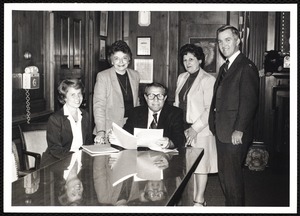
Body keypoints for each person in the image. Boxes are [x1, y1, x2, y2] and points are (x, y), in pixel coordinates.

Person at [208, 25, 259, 206]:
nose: (223, 45)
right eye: (220, 41)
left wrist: (239, 130)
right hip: (222, 131)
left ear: (238, 41)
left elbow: (249, 102)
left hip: (234, 134)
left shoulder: (246, 66)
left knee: (232, 178)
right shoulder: (226, 67)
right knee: (225, 176)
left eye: (228, 40)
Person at [174, 43, 218, 206]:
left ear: (200, 60)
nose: (187, 63)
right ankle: (186, 197)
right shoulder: (181, 77)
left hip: (201, 129)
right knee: (185, 165)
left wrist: (194, 128)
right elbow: (178, 103)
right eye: (185, 60)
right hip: (183, 127)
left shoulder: (208, 79)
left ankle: (199, 200)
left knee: (201, 166)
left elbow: (210, 109)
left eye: (191, 59)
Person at [93, 40, 140, 144]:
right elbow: (99, 106)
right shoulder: (103, 76)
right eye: (116, 59)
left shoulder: (135, 75)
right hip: (110, 128)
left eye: (124, 58)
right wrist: (101, 131)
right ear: (111, 60)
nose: (121, 62)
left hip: (131, 127)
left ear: (129, 60)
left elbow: (137, 103)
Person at [41, 79, 93, 167]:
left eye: (79, 94)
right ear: (64, 97)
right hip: (58, 162)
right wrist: (75, 157)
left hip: (80, 161)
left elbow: (88, 142)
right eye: (73, 95)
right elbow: (55, 149)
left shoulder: (85, 115)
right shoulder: (55, 119)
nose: (77, 98)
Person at [123, 82, 186, 149]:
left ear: (165, 98)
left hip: (164, 157)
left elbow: (180, 138)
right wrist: (116, 138)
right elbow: (126, 134)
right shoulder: (135, 112)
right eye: (151, 96)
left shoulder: (175, 113)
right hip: (139, 155)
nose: (156, 100)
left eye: (160, 96)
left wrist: (169, 143)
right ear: (145, 97)